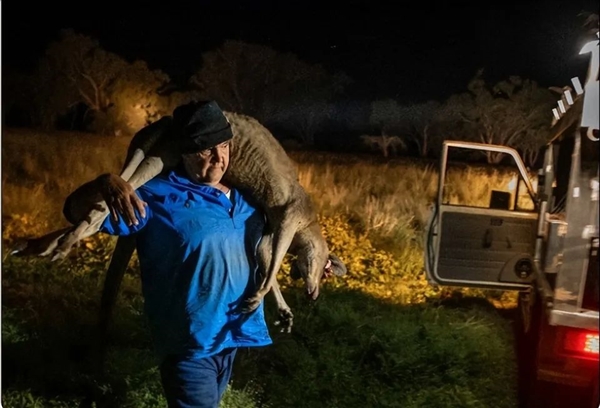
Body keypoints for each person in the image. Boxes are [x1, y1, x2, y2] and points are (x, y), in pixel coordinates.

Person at [66, 100, 272, 407]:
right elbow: (74, 211)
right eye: (206, 150)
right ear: (183, 152)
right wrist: (105, 183)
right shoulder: (155, 196)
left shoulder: (245, 198)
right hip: (188, 346)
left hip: (231, 337)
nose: (219, 159)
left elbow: (264, 244)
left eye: (225, 146)